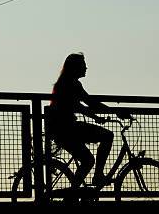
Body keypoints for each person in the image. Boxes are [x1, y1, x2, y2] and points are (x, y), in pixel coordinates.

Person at [47, 53, 130, 188]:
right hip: (66, 128)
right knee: (106, 137)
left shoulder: (70, 83)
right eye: (83, 65)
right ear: (75, 67)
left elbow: (90, 103)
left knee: (87, 160)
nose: (86, 68)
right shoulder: (68, 84)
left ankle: (77, 190)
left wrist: (111, 112)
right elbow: (79, 105)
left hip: (64, 128)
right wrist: (99, 116)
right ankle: (95, 177)